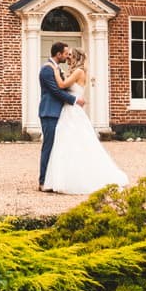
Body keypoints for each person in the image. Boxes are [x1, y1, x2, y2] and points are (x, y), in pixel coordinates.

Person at [41, 46, 130, 195]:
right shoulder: (76, 71)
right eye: (66, 55)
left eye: (70, 55)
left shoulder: (78, 72)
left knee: (75, 143)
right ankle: (64, 176)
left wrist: (56, 70)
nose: (68, 57)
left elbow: (61, 86)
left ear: (76, 57)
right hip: (69, 110)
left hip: (72, 111)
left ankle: (73, 178)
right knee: (67, 144)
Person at [36, 40, 77, 189]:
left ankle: (54, 179)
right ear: (58, 54)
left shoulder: (57, 68)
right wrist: (75, 100)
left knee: (58, 147)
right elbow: (55, 91)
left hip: (59, 111)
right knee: (49, 146)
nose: (67, 56)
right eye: (65, 54)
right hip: (49, 112)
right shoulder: (47, 69)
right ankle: (42, 181)